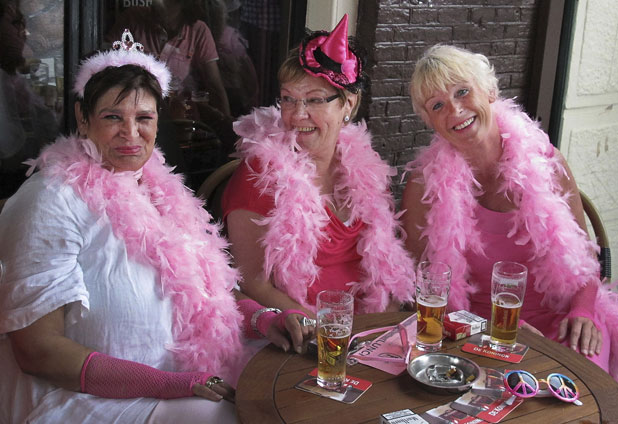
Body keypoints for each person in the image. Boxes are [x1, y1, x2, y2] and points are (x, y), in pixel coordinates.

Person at [0, 29, 313, 423]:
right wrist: (164, 383)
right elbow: (38, 351)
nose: (131, 133)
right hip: (87, 399)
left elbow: (207, 295)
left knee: (294, 390)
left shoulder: (163, 190)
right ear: (82, 117)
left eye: (144, 118)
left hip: (187, 378)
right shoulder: (50, 200)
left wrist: (264, 319)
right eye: (113, 117)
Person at [401, 44, 618, 380]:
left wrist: (583, 311)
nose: (455, 109)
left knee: (573, 392)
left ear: (490, 91)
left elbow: (586, 259)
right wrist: (482, 327)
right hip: (478, 330)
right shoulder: (423, 186)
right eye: (438, 105)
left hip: (564, 322)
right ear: (430, 120)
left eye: (463, 92)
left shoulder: (546, 162)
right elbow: (422, 284)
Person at [222, 15, 415, 317]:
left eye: (314, 100)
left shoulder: (366, 168)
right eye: (288, 99)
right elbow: (253, 284)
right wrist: (327, 332)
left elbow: (385, 264)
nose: (298, 115)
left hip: (369, 328)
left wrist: (382, 323)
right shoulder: (259, 176)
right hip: (302, 332)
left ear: (348, 104)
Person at [106, 0, 231, 118]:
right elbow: (106, 63)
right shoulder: (133, 17)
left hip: (180, 118)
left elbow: (214, 85)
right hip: (135, 113)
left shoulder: (198, 30)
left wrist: (228, 124)